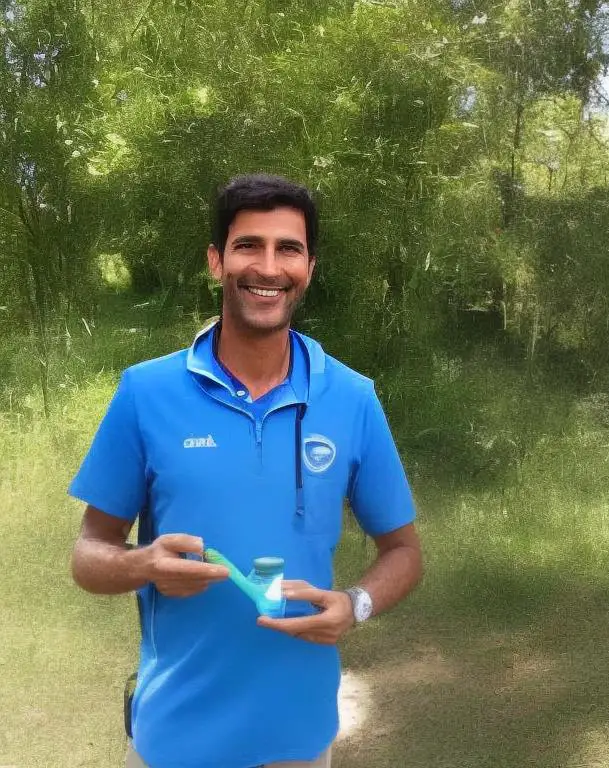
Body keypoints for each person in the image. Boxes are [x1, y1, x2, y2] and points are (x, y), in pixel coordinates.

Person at [69, 174, 423, 768]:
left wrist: (355, 604)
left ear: (309, 266)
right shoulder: (146, 392)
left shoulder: (352, 398)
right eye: (247, 245)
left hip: (301, 739)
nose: (268, 266)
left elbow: (404, 552)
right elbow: (88, 554)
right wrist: (142, 566)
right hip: (176, 739)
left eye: (288, 248)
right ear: (217, 261)